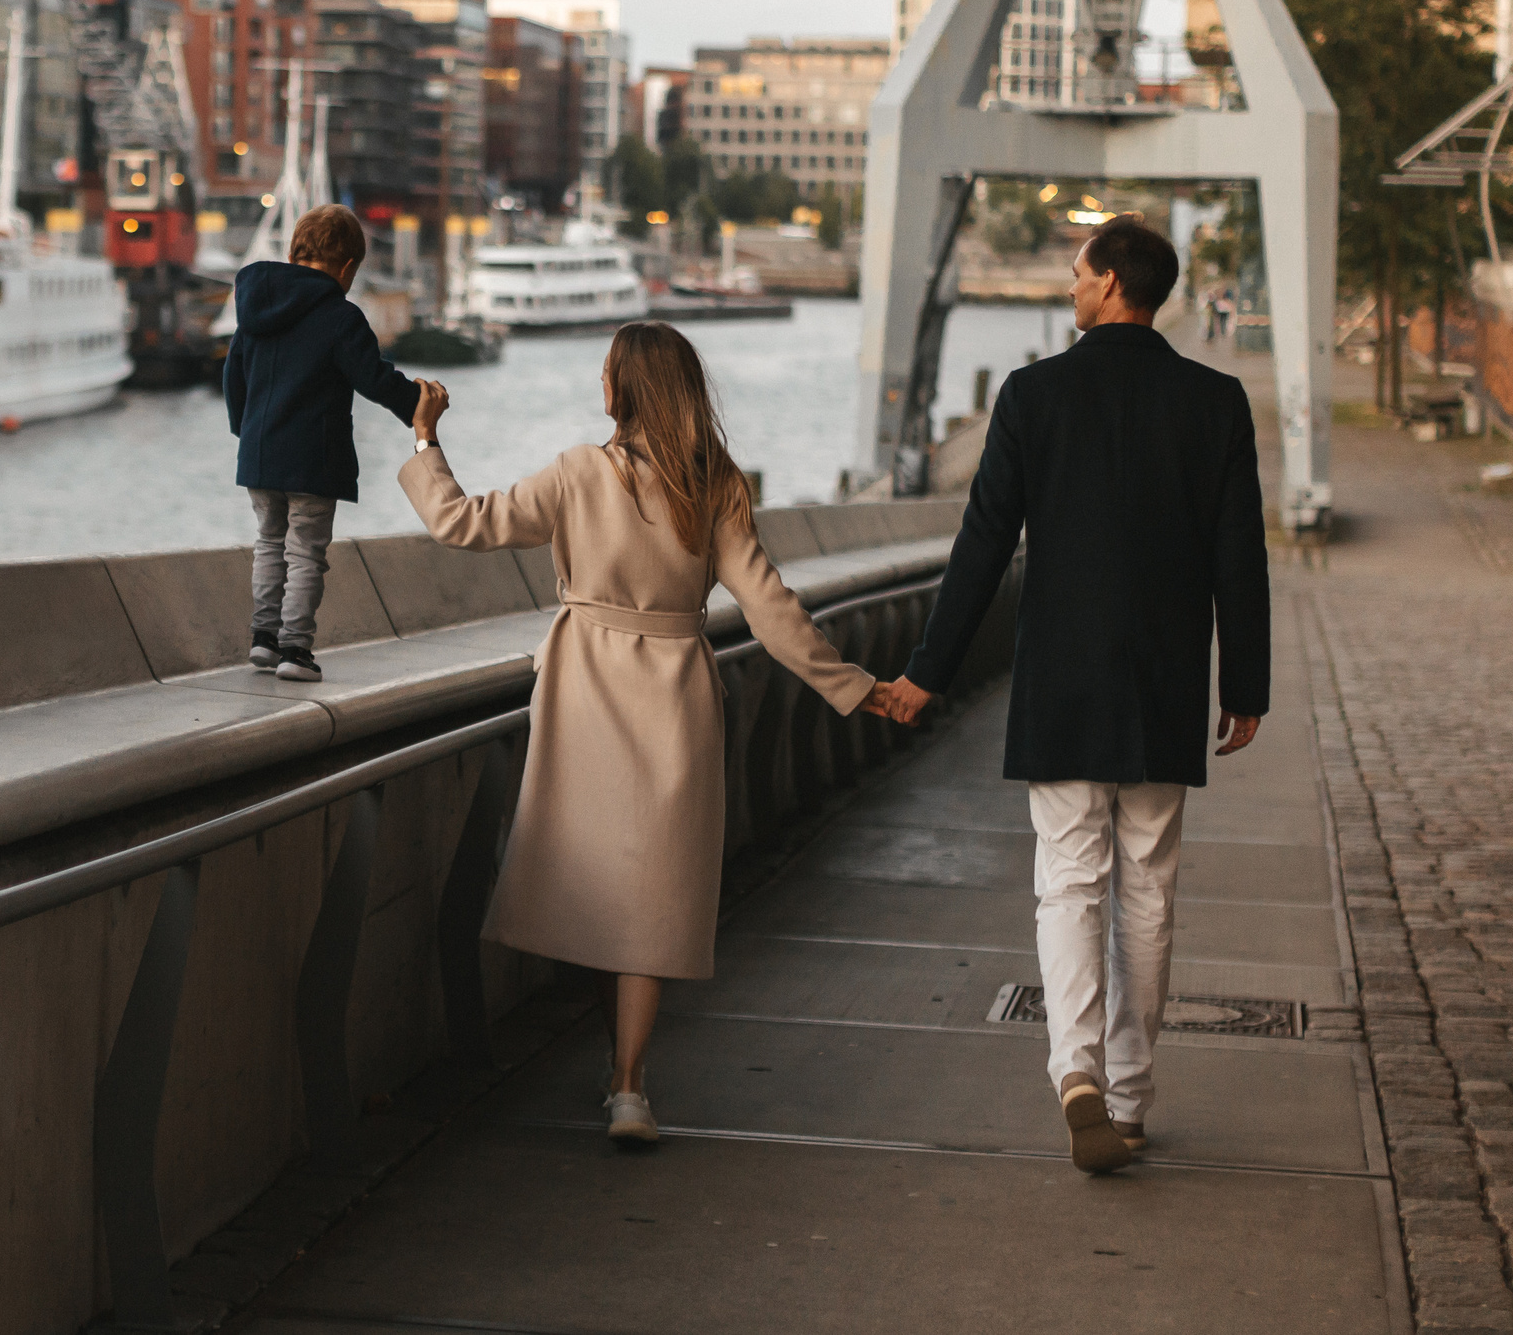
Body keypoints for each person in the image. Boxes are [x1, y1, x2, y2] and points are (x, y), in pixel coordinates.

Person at [396, 322, 891, 1145]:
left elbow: (463, 524)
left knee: (594, 879)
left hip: (586, 682)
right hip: (676, 686)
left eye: (606, 373)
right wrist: (854, 687)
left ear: (621, 389)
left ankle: (620, 1072)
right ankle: (630, 1084)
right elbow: (769, 606)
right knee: (655, 891)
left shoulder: (577, 473)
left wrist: (425, 434)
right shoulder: (716, 485)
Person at [879, 216, 1269, 1175]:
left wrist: (928, 670)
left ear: (1107, 285)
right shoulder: (1216, 401)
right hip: (1166, 683)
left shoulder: (1033, 395)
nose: (1067, 283)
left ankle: (1077, 1071)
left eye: (1077, 270)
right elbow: (1240, 555)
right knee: (1150, 888)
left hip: (1062, 680)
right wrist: (1246, 682)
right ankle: (1130, 1097)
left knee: (1068, 877)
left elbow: (982, 547)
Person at [223, 205, 420, 683]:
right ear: (349, 269)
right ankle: (295, 647)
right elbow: (373, 379)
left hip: (259, 454)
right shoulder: (340, 316)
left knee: (269, 542)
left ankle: (264, 639)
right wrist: (417, 404)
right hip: (313, 457)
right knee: (306, 551)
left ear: (293, 253)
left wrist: (245, 432)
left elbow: (234, 379)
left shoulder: (255, 309)